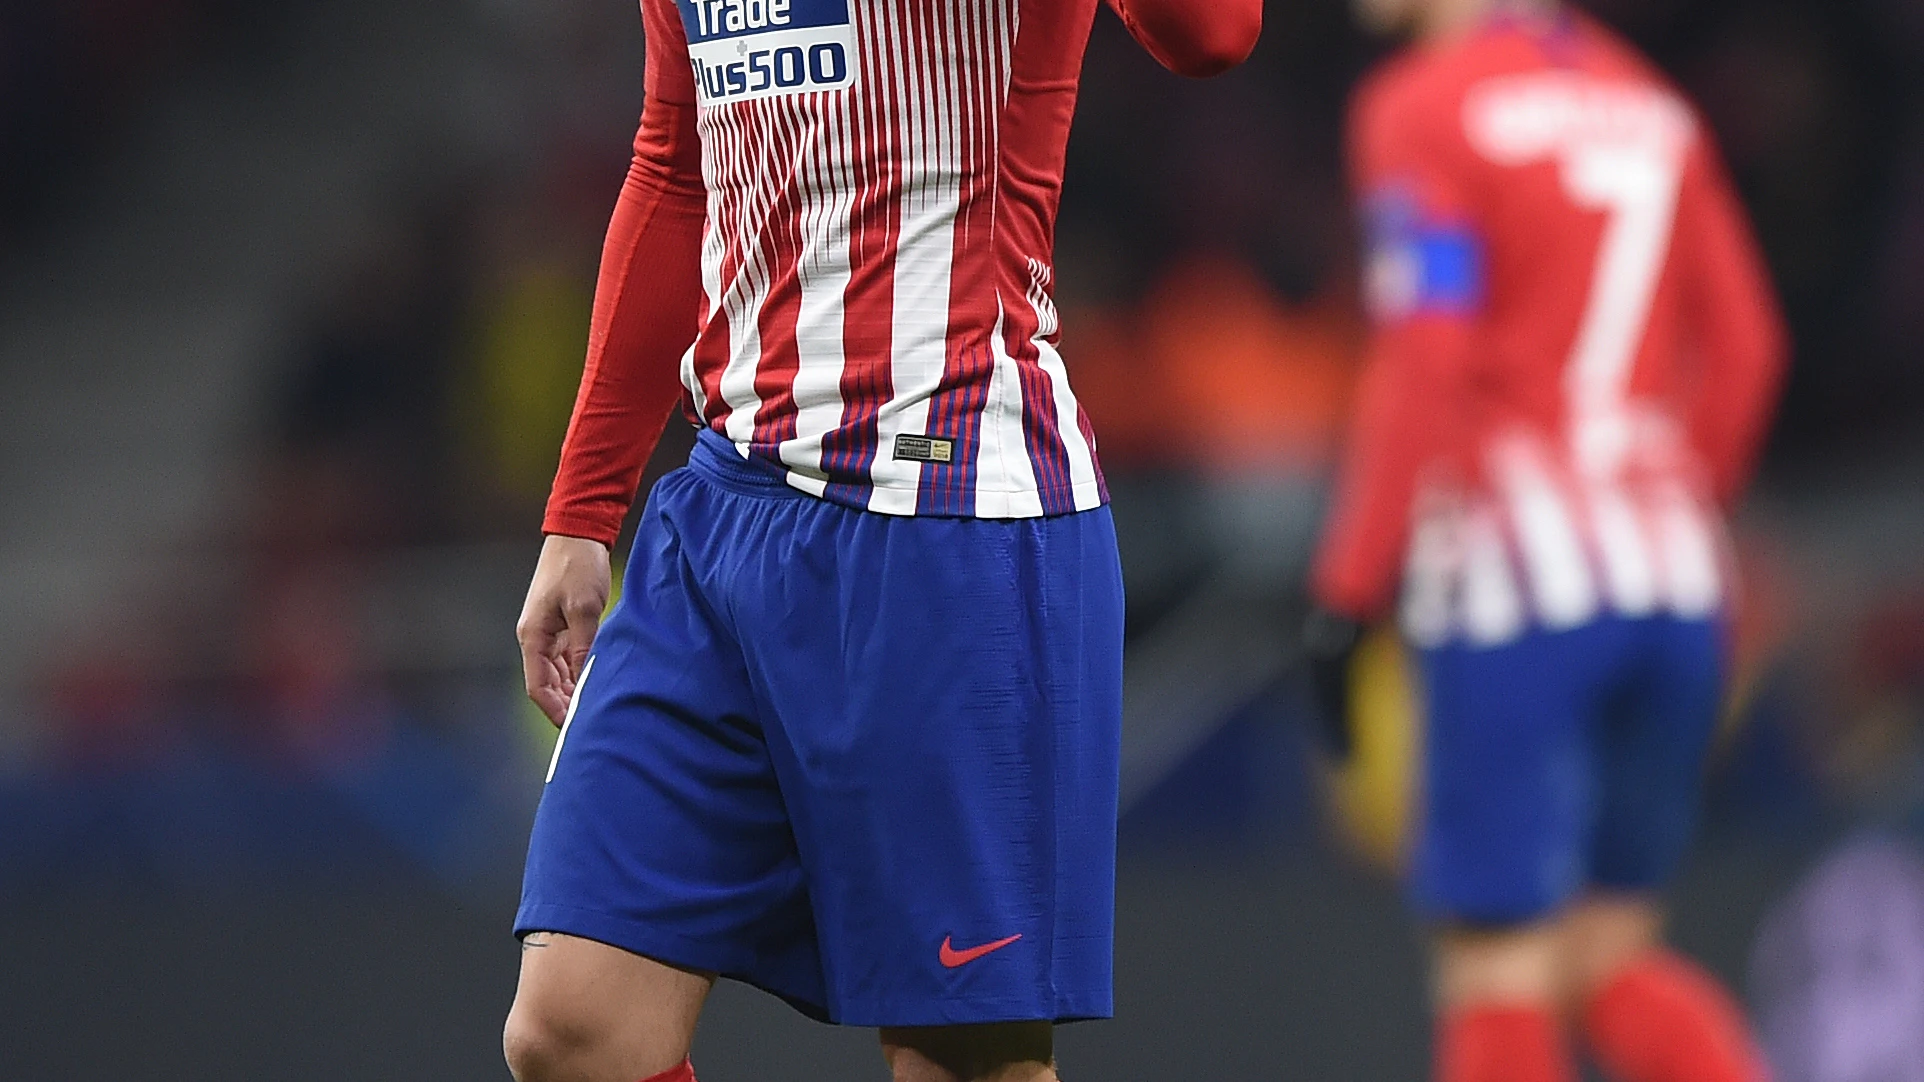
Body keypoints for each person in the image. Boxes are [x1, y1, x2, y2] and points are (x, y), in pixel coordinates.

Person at [502, 2, 1261, 1081]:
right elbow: (676, 168)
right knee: (572, 1027)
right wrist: (581, 511)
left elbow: (1211, 36)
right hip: (722, 512)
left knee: (962, 1059)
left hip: (952, 513)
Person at [1303, 2, 1788, 1081]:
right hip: (1671, 575)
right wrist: (1662, 500)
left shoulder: (1420, 106)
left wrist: (1345, 587)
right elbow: (1749, 345)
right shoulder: (1647, 101)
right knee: (1606, 955)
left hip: (1513, 583)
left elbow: (1426, 357)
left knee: (1494, 970)